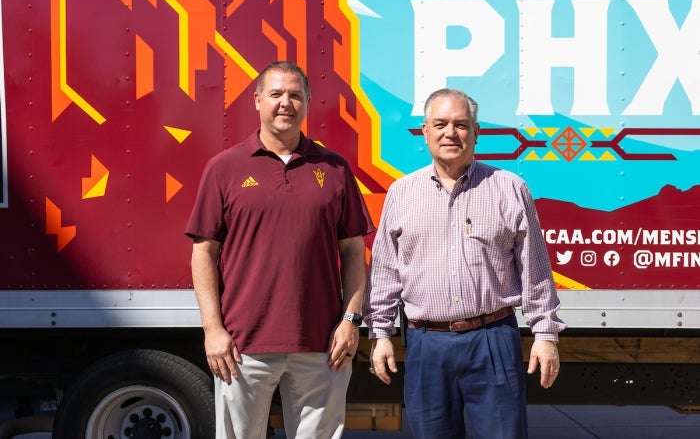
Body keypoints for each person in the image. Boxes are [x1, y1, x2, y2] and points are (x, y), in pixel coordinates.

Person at [185, 61, 374, 439]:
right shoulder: (224, 168)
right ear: (257, 101)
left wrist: (351, 321)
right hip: (242, 344)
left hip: (323, 343)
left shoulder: (334, 167)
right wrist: (213, 330)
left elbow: (354, 250)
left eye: (295, 95)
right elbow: (204, 253)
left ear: (307, 103)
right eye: (275, 94)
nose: (285, 103)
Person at [363, 88, 566, 439]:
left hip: (493, 340)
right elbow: (385, 273)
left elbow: (535, 271)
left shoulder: (509, 189)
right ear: (425, 131)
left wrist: (545, 335)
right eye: (440, 124)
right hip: (426, 345)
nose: (450, 133)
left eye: (460, 124)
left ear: (476, 132)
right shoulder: (401, 193)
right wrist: (380, 334)